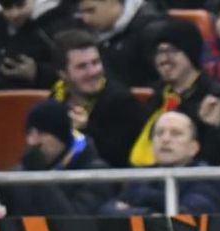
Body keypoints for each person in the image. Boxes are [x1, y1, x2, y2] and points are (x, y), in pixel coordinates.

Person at [131, 18, 220, 167]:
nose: (165, 59)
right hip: (151, 182)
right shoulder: (156, 100)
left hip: (202, 183)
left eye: (172, 51)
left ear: (191, 53)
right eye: (159, 52)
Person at [49, 29, 147, 170]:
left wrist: (86, 130)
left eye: (95, 62)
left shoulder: (121, 102)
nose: (93, 72)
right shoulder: (56, 97)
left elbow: (119, 159)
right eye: (82, 67)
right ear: (63, 74)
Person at [0, 100, 115, 217]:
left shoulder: (96, 175)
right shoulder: (21, 173)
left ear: (61, 138)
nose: (32, 141)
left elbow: (74, 226)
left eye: (41, 133)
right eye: (29, 133)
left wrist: (40, 177)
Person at [100, 112, 220, 216]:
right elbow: (107, 211)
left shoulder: (205, 176)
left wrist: (138, 202)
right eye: (159, 133)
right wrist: (151, 216)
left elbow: (188, 214)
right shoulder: (141, 176)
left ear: (193, 148)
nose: (165, 140)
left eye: (176, 133)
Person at [0, 0, 76, 93]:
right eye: (7, 7)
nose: (14, 14)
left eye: (20, 5)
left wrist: (38, 72)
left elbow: (73, 69)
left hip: (46, 96)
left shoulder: (56, 23)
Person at [75, 0, 166, 88]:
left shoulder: (151, 31)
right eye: (82, 12)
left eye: (91, 10)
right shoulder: (90, 32)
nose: (86, 19)